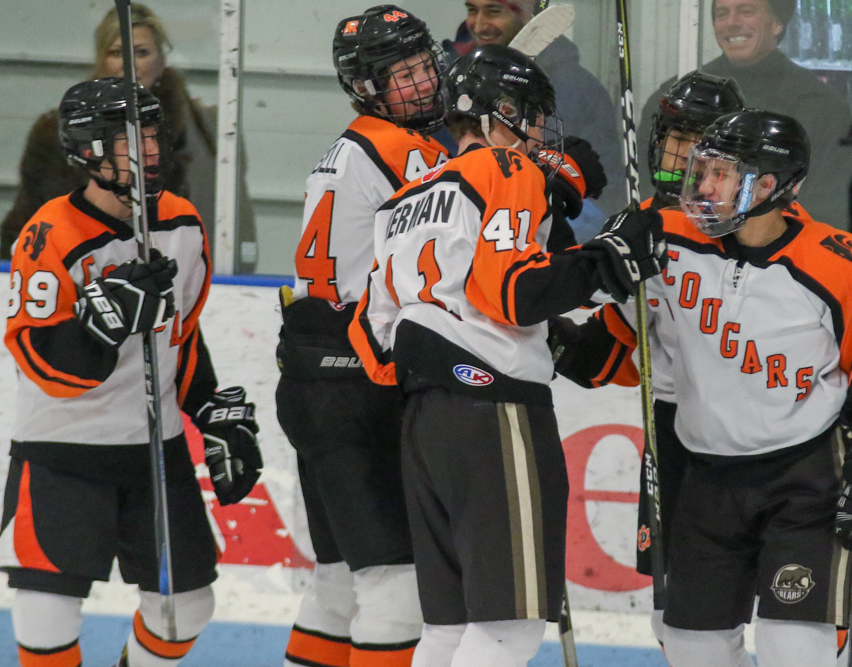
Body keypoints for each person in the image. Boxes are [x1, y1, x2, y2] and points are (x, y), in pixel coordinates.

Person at [348, 43, 665, 666]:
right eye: (528, 116)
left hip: (423, 420)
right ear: (498, 113)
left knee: (447, 627)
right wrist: (608, 258)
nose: (535, 136)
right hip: (492, 413)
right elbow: (515, 293)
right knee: (508, 626)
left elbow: (374, 339)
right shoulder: (507, 171)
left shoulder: (402, 202)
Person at [567, 109, 852, 667]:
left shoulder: (840, 261)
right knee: (691, 649)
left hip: (804, 481)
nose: (701, 186)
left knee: (794, 650)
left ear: (768, 186)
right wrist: (541, 328)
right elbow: (607, 350)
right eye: (703, 169)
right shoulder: (667, 240)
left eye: (719, 174)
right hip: (705, 477)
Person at [0, 78, 263, 667]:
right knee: (47, 607)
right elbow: (40, 364)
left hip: (154, 450)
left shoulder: (185, 223)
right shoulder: (49, 234)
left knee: (186, 607)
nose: (146, 149)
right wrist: (99, 325)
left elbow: (182, 336)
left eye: (149, 134)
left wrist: (209, 407)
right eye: (126, 139)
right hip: (63, 448)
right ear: (88, 151)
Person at [274, 7, 451, 667]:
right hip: (355, 381)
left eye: (423, 65)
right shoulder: (401, 149)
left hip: (314, 376)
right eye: (402, 74)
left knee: (341, 578)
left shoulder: (349, 147)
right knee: (395, 583)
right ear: (365, 86)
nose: (423, 82)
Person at [551, 70, 747, 651]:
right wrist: (539, 330)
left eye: (701, 145)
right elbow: (612, 347)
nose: (683, 156)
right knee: (675, 618)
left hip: (764, 443)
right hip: (674, 436)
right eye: (675, 140)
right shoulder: (645, 226)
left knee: (770, 619)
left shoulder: (757, 224)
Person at [0, 2, 258, 272]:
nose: (129, 65)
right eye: (117, 52)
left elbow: (236, 224)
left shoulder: (207, 131)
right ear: (101, 60)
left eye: (142, 52)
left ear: (162, 60)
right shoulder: (56, 134)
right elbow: (29, 223)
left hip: (177, 274)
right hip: (82, 276)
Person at [638, 0, 852, 231]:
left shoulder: (820, 104)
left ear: (777, 23)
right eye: (722, 13)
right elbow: (645, 182)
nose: (732, 23)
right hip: (681, 245)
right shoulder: (679, 95)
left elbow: (835, 206)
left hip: (777, 253)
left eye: (746, 11)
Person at [442, 0, 625, 241]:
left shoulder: (581, 89)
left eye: (494, 11)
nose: (479, 25)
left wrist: (552, 202)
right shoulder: (454, 81)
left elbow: (607, 195)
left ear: (528, 13)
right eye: (472, 10)